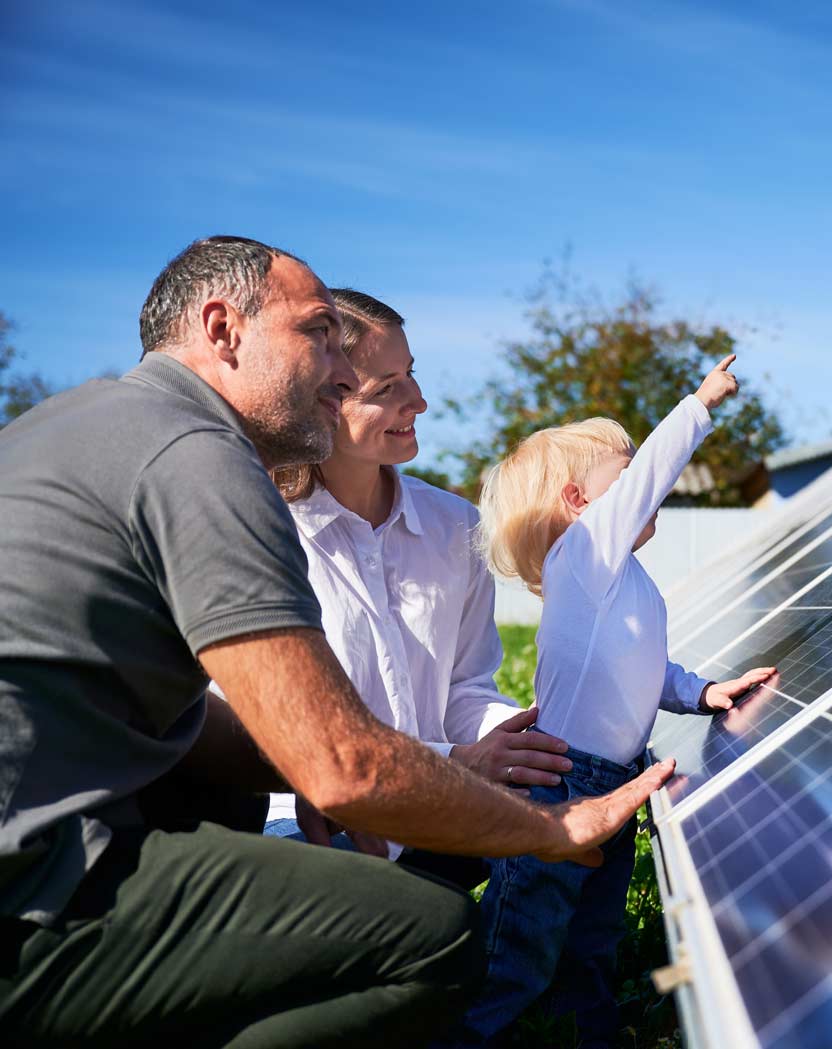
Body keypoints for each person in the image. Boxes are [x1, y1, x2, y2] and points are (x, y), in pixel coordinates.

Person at [0, 236, 673, 1047]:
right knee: (435, 937)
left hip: (72, 823)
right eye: (317, 334)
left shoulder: (78, 424)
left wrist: (376, 769)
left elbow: (202, 726)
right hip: (35, 888)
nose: (336, 370)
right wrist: (552, 829)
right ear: (223, 329)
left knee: (248, 795)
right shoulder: (200, 457)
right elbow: (340, 764)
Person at [456, 356, 775, 1046]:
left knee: (592, 932)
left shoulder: (624, 579)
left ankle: (590, 1030)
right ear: (578, 501)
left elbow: (645, 668)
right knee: (522, 942)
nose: (642, 488)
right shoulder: (586, 555)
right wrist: (699, 403)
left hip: (616, 780)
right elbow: (657, 470)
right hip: (562, 784)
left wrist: (702, 692)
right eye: (625, 478)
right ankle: (469, 1036)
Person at [263, 288, 573, 882]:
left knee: (573, 802)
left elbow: (464, 687)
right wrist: (459, 763)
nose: (420, 401)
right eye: (387, 389)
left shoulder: (455, 527)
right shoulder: (268, 533)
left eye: (411, 375)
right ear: (322, 402)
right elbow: (274, 732)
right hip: (310, 822)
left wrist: (519, 739)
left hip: (436, 812)